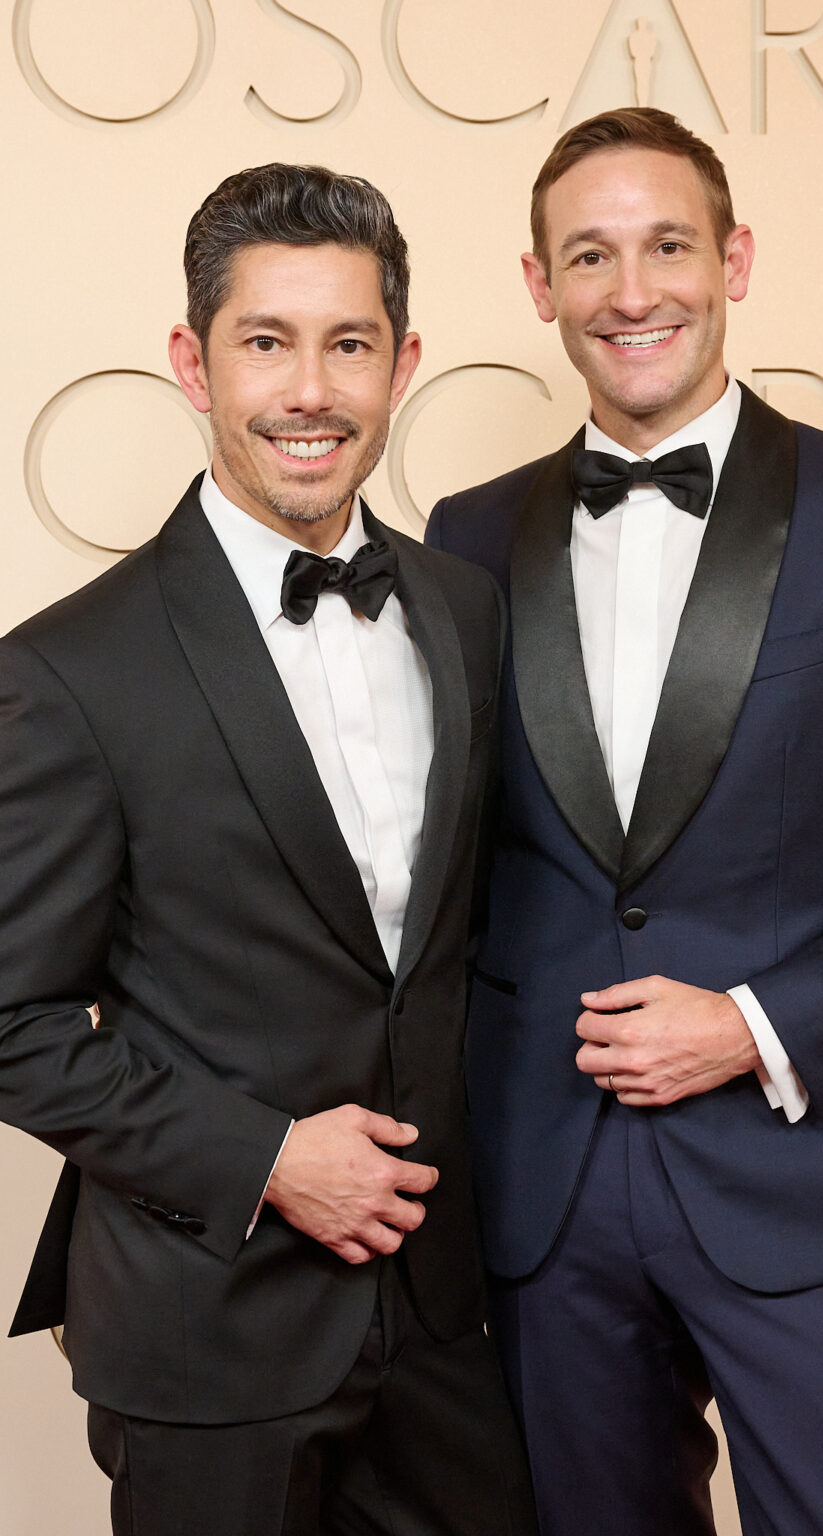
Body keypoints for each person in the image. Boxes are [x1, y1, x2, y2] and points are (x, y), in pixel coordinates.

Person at [426, 108, 823, 1536]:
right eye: (592, 256)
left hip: (803, 1172)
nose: (634, 292)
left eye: (670, 245)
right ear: (539, 285)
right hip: (544, 1196)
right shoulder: (463, 534)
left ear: (735, 258)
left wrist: (753, 1022)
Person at [0, 163, 536, 1536]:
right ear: (194, 361)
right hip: (207, 1325)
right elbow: (10, 1017)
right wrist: (266, 1158)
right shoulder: (67, 672)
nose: (312, 390)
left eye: (348, 343)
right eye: (267, 341)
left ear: (402, 361)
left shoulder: (467, 611)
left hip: (450, 1323)